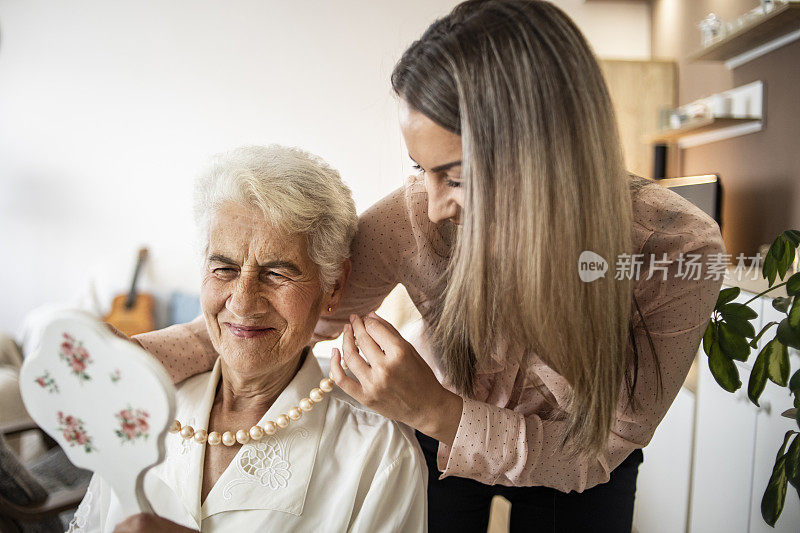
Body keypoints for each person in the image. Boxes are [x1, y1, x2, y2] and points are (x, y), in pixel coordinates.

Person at [135, 1, 726, 531]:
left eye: (458, 177)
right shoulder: (420, 209)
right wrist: (115, 362)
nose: (434, 204)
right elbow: (287, 309)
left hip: (575, 465)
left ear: (546, 160)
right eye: (419, 168)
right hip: (439, 450)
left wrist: (434, 409)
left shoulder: (675, 253)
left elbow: (598, 451)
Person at [69, 145, 427, 533]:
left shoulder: (378, 449)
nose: (242, 303)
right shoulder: (145, 403)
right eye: (223, 268)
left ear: (334, 286)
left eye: (276, 274)